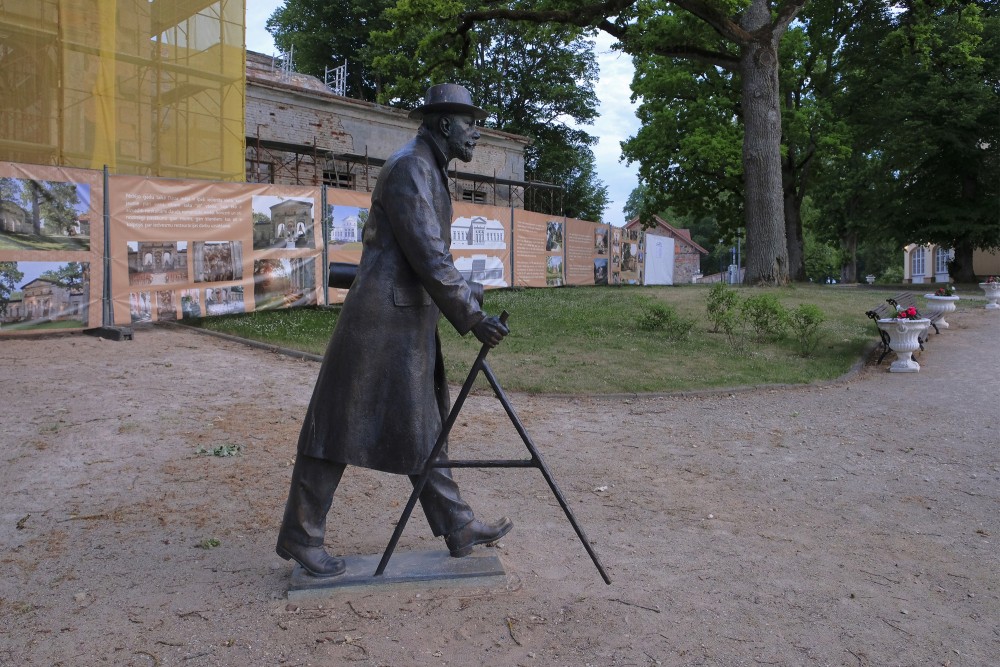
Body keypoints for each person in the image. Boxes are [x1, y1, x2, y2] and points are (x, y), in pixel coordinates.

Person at [275, 84, 512, 578]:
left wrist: (467, 294)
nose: (476, 133)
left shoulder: (428, 168)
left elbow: (422, 257)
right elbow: (427, 254)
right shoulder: (410, 167)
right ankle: (301, 535)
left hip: (405, 320)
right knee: (336, 426)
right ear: (444, 123)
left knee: (422, 427)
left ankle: (458, 525)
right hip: (380, 324)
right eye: (469, 122)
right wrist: (471, 314)